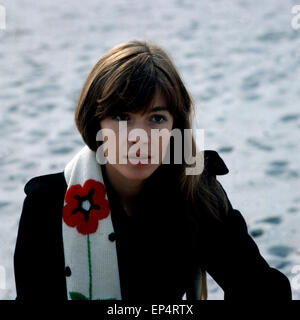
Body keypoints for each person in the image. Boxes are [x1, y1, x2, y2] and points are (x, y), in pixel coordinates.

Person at [14, 40, 292, 301]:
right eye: (122, 117)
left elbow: (265, 292)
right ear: (96, 124)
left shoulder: (195, 190)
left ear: (175, 128)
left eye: (156, 118)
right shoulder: (48, 205)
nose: (140, 137)